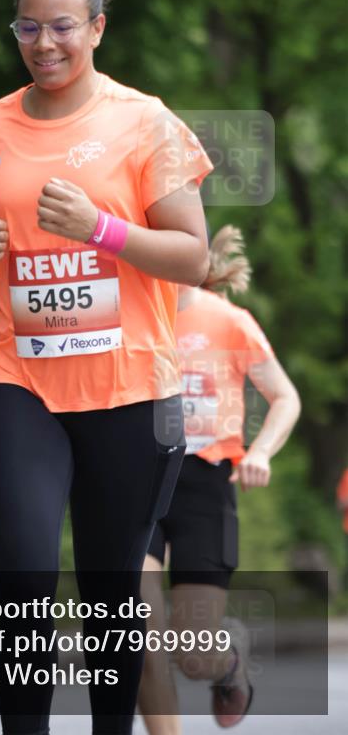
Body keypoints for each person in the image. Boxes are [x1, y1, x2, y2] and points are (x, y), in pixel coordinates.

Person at [0, 0, 213, 735]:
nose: (44, 43)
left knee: (109, 589)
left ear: (96, 28)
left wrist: (99, 228)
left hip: (127, 387)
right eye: (27, 28)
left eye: (61, 26)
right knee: (24, 576)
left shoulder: (145, 121)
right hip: (18, 378)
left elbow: (193, 258)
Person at [137, 225, 301, 733]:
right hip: (139, 481)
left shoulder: (229, 322)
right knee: (140, 634)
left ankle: (226, 659)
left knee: (192, 656)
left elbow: (285, 397)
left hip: (205, 484)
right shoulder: (131, 316)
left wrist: (262, 452)